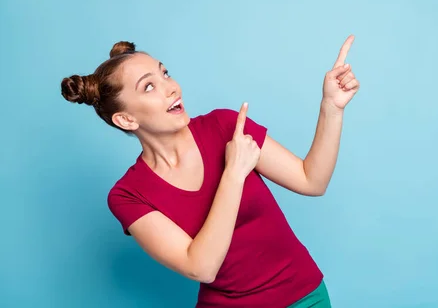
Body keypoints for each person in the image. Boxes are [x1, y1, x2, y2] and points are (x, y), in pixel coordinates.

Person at [60, 36, 360, 307]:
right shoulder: (129, 195)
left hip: (304, 296)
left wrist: (331, 107)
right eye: (149, 86)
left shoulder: (225, 126)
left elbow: (312, 180)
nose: (171, 87)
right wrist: (234, 172)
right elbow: (201, 266)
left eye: (165, 73)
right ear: (126, 120)